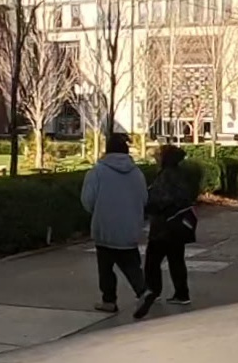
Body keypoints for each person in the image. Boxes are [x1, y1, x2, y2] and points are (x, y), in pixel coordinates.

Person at [85, 130, 153, 320]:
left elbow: (87, 199)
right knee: (130, 263)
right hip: (129, 227)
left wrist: (98, 212)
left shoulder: (97, 172)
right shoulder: (137, 173)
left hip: (105, 226)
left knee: (105, 267)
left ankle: (109, 300)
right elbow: (144, 198)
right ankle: (142, 290)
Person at [150, 140, 204, 309]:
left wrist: (149, 204)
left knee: (152, 261)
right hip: (178, 224)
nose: (156, 157)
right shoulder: (181, 174)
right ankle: (182, 293)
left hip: (164, 225)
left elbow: (160, 199)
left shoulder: (166, 176)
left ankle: (153, 291)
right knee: (176, 260)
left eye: (159, 155)